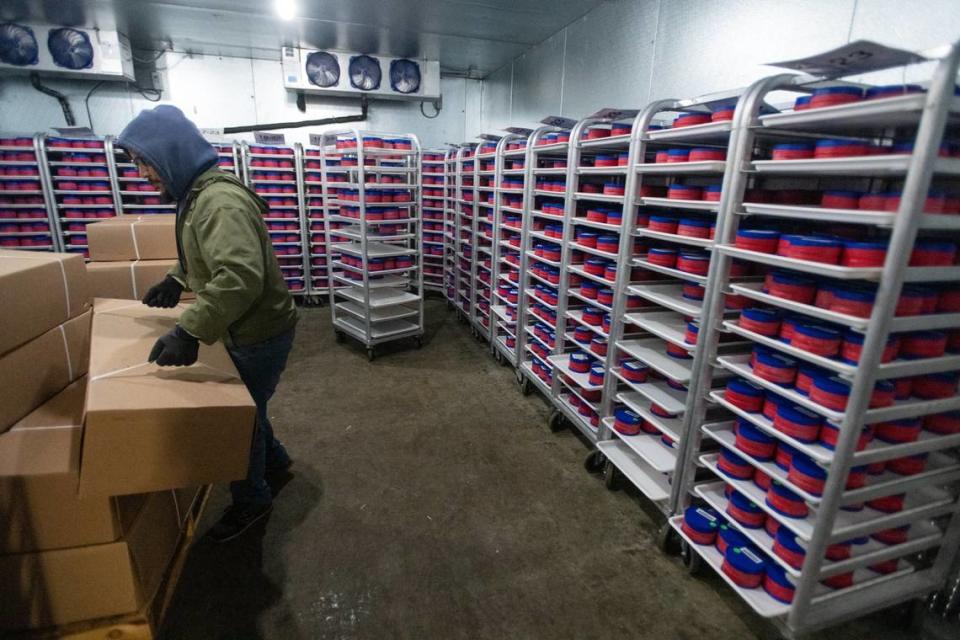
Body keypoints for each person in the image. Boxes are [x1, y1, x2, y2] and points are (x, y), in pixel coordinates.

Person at [116, 105, 299, 543]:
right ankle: (276, 464)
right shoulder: (197, 194)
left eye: (145, 162)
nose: (142, 174)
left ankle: (253, 502)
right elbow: (208, 256)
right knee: (251, 408)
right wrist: (177, 279)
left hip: (258, 333)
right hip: (248, 327)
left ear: (170, 152)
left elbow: (238, 276)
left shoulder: (218, 200)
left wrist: (190, 330)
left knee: (240, 423)